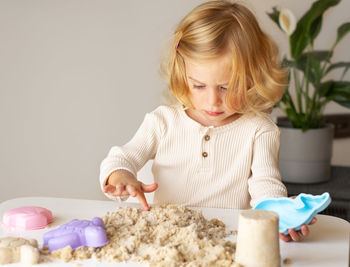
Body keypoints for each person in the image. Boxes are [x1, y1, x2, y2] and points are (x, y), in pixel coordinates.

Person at [100, 0, 316, 242]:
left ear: (252, 77)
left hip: (228, 238)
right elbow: (123, 157)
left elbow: (265, 184)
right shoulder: (163, 121)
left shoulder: (259, 130)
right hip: (165, 238)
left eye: (226, 87)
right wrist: (120, 177)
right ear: (183, 76)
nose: (212, 101)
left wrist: (278, 214)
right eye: (199, 86)